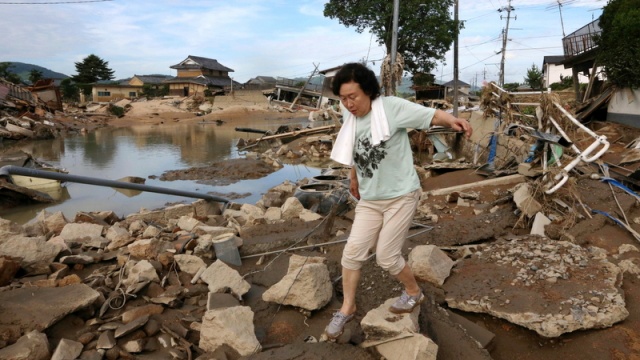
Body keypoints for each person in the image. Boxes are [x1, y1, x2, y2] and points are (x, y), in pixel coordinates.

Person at [324, 62, 472, 339]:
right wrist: (353, 177)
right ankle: (347, 307)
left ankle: (414, 293)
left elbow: (431, 115)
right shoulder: (350, 118)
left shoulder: (391, 107)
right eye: (343, 99)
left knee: (387, 257)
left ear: (368, 90)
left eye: (352, 96)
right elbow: (354, 149)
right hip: (370, 198)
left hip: (401, 196)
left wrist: (453, 121)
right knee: (351, 254)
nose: (348, 104)